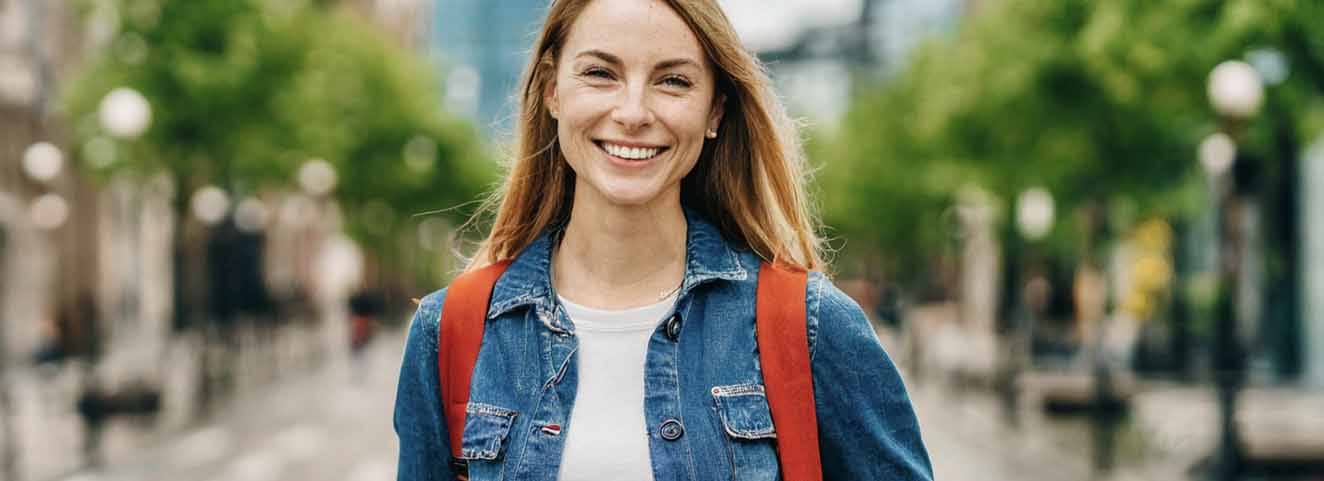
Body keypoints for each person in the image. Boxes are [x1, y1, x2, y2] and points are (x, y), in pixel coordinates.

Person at [394, 0, 933, 479]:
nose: (632, 113)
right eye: (601, 73)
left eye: (672, 81)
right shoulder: (451, 332)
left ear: (715, 111)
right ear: (553, 91)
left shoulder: (809, 324)